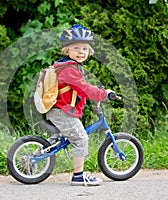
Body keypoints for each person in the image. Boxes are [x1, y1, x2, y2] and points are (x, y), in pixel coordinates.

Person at [46, 24, 114, 186]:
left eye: (84, 48)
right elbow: (84, 88)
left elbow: (79, 89)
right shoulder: (69, 69)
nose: (80, 52)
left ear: (89, 52)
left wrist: (95, 94)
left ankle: (29, 161)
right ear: (67, 51)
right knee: (80, 138)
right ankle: (78, 176)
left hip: (58, 110)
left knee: (54, 143)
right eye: (76, 48)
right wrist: (103, 94)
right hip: (62, 112)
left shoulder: (68, 66)